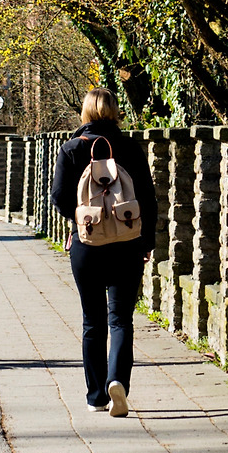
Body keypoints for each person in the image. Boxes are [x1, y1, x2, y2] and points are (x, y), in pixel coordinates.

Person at [51, 87, 157, 417]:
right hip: (127, 245)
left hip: (87, 245)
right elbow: (149, 200)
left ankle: (96, 396)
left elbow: (58, 198)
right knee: (121, 319)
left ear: (85, 112)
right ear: (114, 111)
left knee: (92, 322)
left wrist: (82, 216)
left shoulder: (70, 149)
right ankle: (118, 384)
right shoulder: (129, 148)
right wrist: (147, 242)